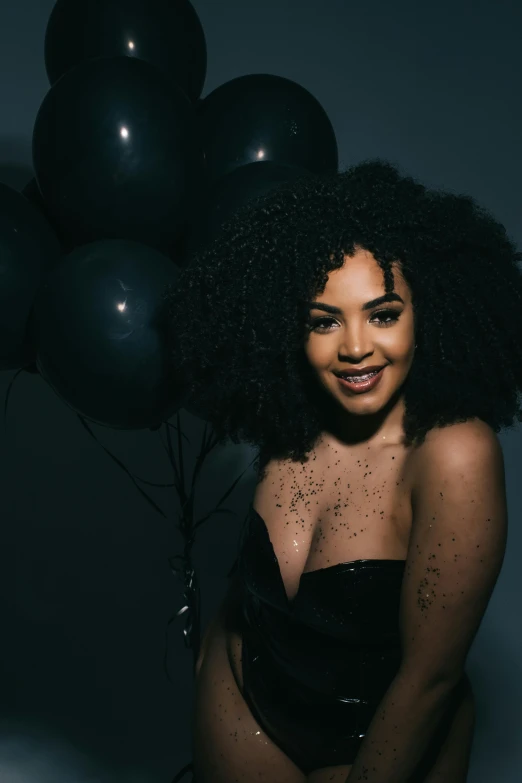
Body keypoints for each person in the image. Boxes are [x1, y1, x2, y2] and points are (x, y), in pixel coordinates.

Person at [163, 159, 521, 782]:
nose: (355, 347)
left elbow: (430, 678)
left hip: (371, 743)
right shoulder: (294, 421)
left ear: (426, 311)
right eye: (324, 321)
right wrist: (209, 669)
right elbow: (256, 586)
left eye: (383, 314)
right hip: (240, 711)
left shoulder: (454, 455)